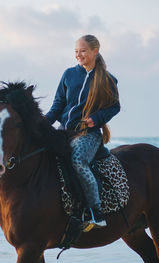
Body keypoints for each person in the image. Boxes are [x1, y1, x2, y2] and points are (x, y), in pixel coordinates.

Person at [45, 34, 120, 227]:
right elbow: (57, 105)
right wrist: (42, 125)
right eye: (76, 51)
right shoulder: (69, 74)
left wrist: (96, 119)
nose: (79, 55)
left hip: (88, 134)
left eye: (83, 51)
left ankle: (96, 210)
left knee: (78, 161)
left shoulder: (107, 79)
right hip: (64, 130)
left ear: (95, 51)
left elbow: (114, 107)